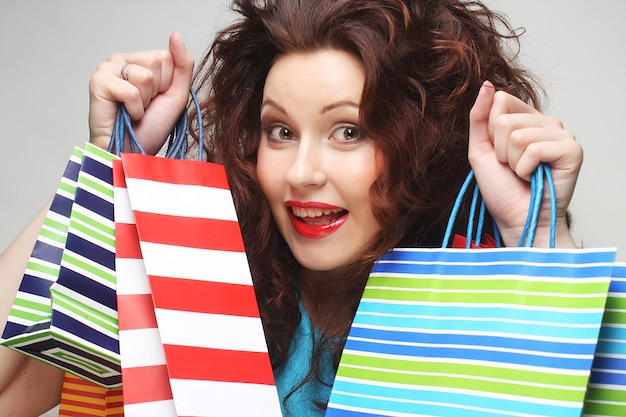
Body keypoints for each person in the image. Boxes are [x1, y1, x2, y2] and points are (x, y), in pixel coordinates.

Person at [0, 0, 583, 415]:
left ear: (426, 145)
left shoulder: (479, 315)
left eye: (349, 132)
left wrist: (542, 238)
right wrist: (108, 169)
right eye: (280, 131)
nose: (302, 172)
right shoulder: (181, 279)